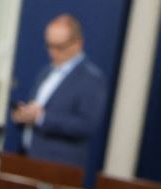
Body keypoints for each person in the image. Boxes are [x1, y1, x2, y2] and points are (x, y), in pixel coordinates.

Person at [10, 14, 110, 171]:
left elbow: (86, 126)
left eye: (59, 47)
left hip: (59, 166)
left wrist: (41, 117)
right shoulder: (47, 71)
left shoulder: (91, 79)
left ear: (77, 44)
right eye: (49, 45)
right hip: (29, 156)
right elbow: (37, 110)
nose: (52, 52)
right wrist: (25, 115)